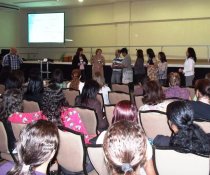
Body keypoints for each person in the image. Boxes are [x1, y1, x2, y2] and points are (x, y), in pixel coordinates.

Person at [97, 100, 156, 175]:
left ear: (115, 115)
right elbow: (150, 170)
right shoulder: (142, 141)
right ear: (135, 117)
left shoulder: (102, 137)